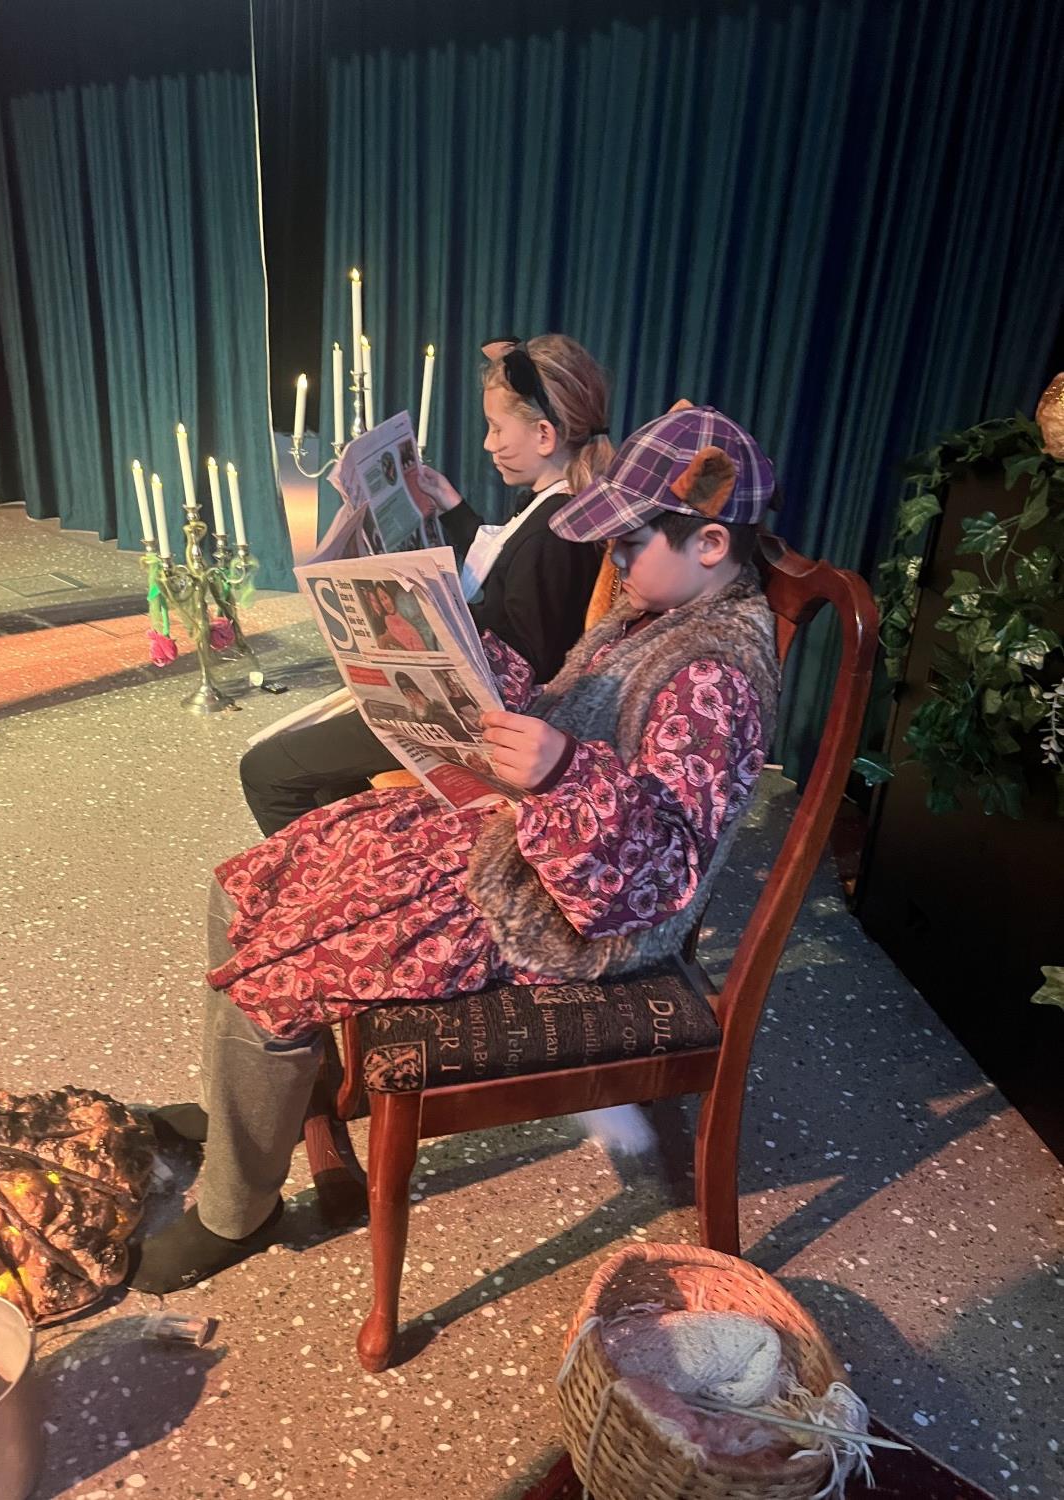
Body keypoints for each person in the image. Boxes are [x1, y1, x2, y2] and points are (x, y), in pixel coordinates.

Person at [131, 405, 781, 1292]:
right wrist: (463, 663)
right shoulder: (656, 617)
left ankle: (236, 1210)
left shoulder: (713, 675)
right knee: (247, 884)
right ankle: (252, 1113)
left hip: (568, 911)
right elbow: (569, 710)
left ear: (709, 544)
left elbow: (660, 877)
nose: (615, 561)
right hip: (530, 843)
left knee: (272, 974)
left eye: (630, 545)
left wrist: (561, 771)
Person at [238, 334, 614, 837]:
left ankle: (304, 879)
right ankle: (343, 858)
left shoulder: (553, 535)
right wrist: (454, 510)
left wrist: (412, 620)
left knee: (266, 770)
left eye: (496, 429)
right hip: (473, 705)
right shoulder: (560, 506)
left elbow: (527, 659)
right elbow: (512, 574)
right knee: (325, 773)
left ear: (545, 435)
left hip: (474, 722)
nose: (488, 444)